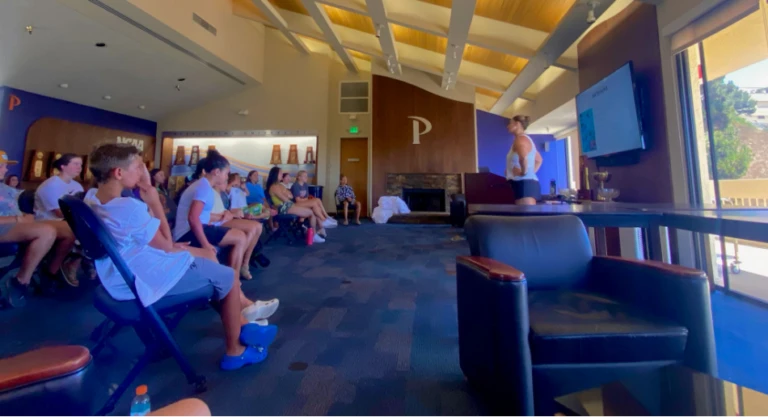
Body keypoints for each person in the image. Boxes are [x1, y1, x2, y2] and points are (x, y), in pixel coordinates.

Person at [84, 143, 278, 370]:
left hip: (119, 273)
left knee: (208, 266)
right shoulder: (127, 208)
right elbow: (167, 244)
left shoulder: (90, 199)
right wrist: (154, 201)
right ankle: (236, 351)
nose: (141, 173)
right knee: (225, 275)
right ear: (118, 173)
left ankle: (243, 325)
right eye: (138, 167)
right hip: (140, 280)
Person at [0, 150, 77, 306]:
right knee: (46, 231)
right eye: (2, 166)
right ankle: (21, 281)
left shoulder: (5, 188)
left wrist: (26, 215)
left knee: (69, 228)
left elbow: (24, 197)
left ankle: (49, 274)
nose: (6, 169)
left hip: (19, 222)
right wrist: (18, 218)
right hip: (6, 225)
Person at [174, 151, 264, 280]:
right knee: (240, 237)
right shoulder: (204, 187)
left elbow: (200, 216)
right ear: (217, 172)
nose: (228, 177)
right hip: (187, 233)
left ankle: (234, 280)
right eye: (227, 173)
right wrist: (206, 245)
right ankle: (232, 282)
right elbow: (193, 218)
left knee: (241, 236)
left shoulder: (204, 185)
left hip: (198, 228)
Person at [266, 166, 326, 243]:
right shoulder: (274, 187)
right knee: (311, 211)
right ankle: (317, 230)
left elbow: (290, 195)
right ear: (275, 174)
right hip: (283, 207)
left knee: (312, 209)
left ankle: (315, 232)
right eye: (280, 173)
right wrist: (286, 194)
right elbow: (285, 199)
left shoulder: (280, 185)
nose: (282, 174)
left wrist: (286, 194)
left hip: (287, 204)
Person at [34, 154, 85, 220]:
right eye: (76, 164)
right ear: (63, 166)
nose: (79, 168)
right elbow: (59, 213)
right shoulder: (50, 185)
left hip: (70, 223)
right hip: (49, 224)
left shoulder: (78, 186)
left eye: (81, 165)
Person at [506, 115, 542, 206]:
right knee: (522, 218)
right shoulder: (524, 139)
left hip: (524, 185)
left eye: (510, 123)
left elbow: (523, 157)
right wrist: (529, 172)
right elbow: (539, 160)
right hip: (523, 184)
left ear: (517, 124)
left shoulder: (520, 139)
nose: (507, 126)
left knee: (525, 218)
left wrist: (523, 173)